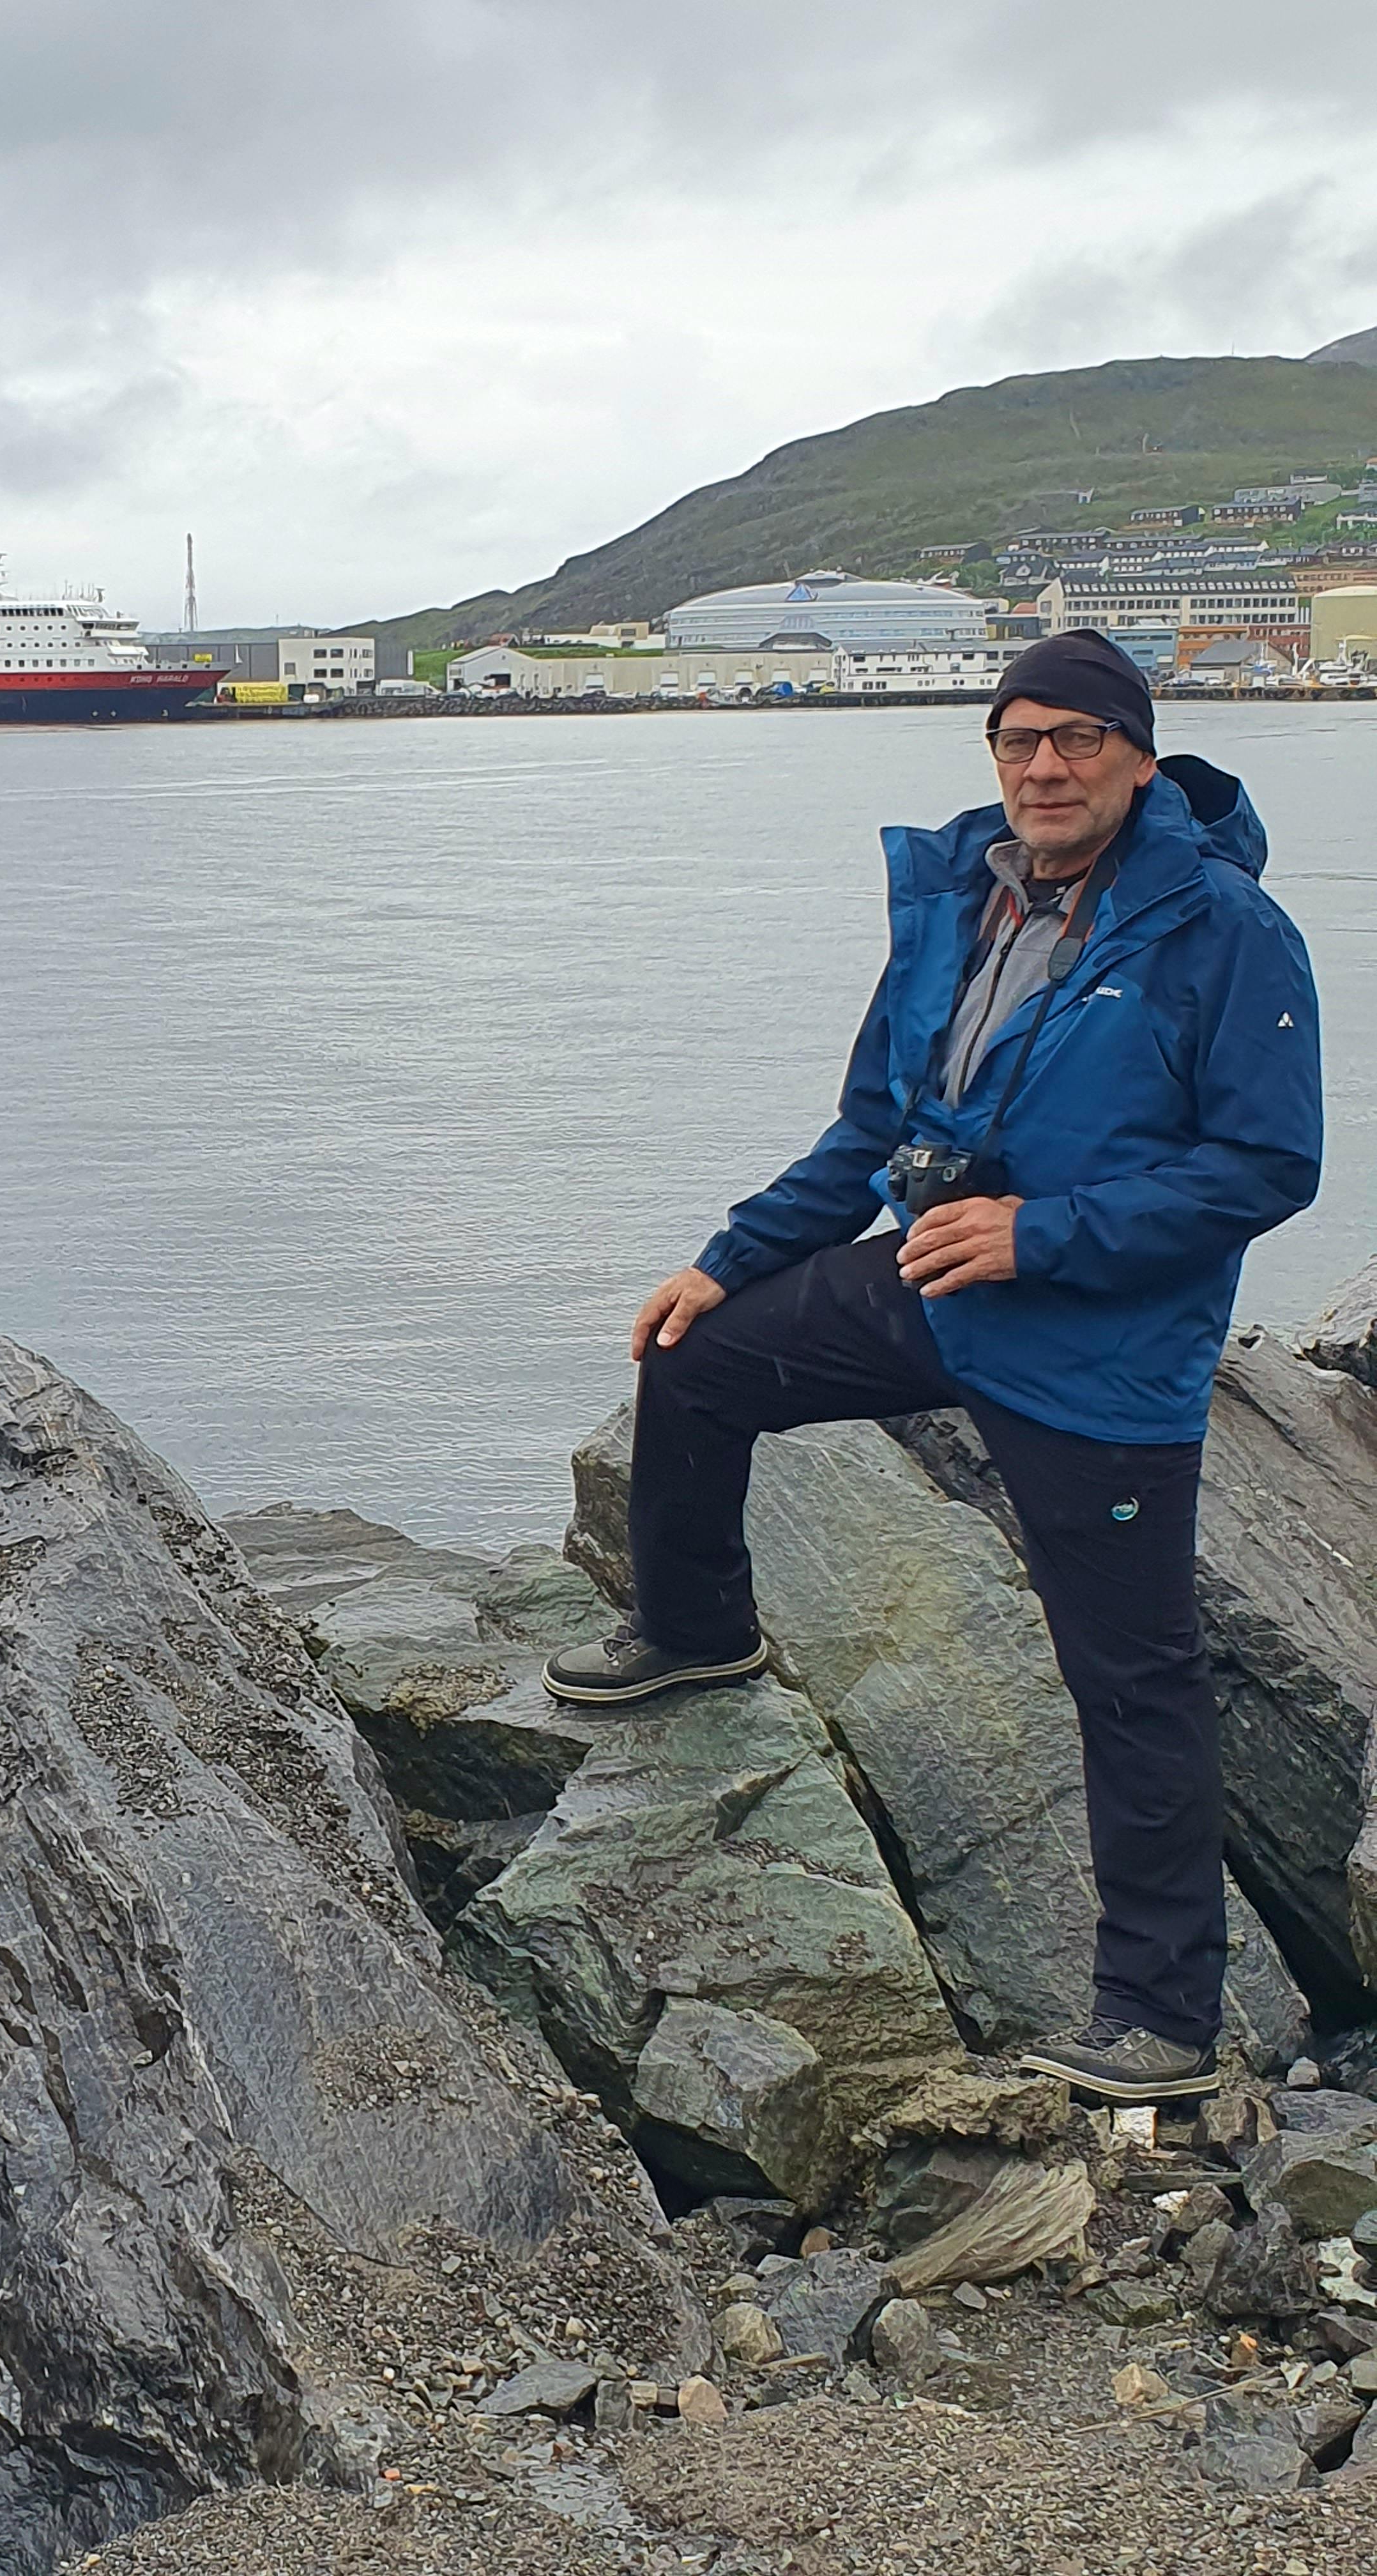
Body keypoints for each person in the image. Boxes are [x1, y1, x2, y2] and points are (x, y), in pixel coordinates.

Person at [541, 630, 1323, 2104]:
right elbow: (870, 1129)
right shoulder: (961, 899)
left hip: (1098, 1345)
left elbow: (1270, 1165)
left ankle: (1157, 2020)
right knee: (696, 1357)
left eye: (1078, 740)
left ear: (1140, 760)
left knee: (1133, 1681)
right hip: (931, 1286)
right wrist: (731, 1255)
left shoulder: (1224, 928)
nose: (1043, 766)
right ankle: (699, 1628)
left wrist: (1046, 1235)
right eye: (1019, 740)